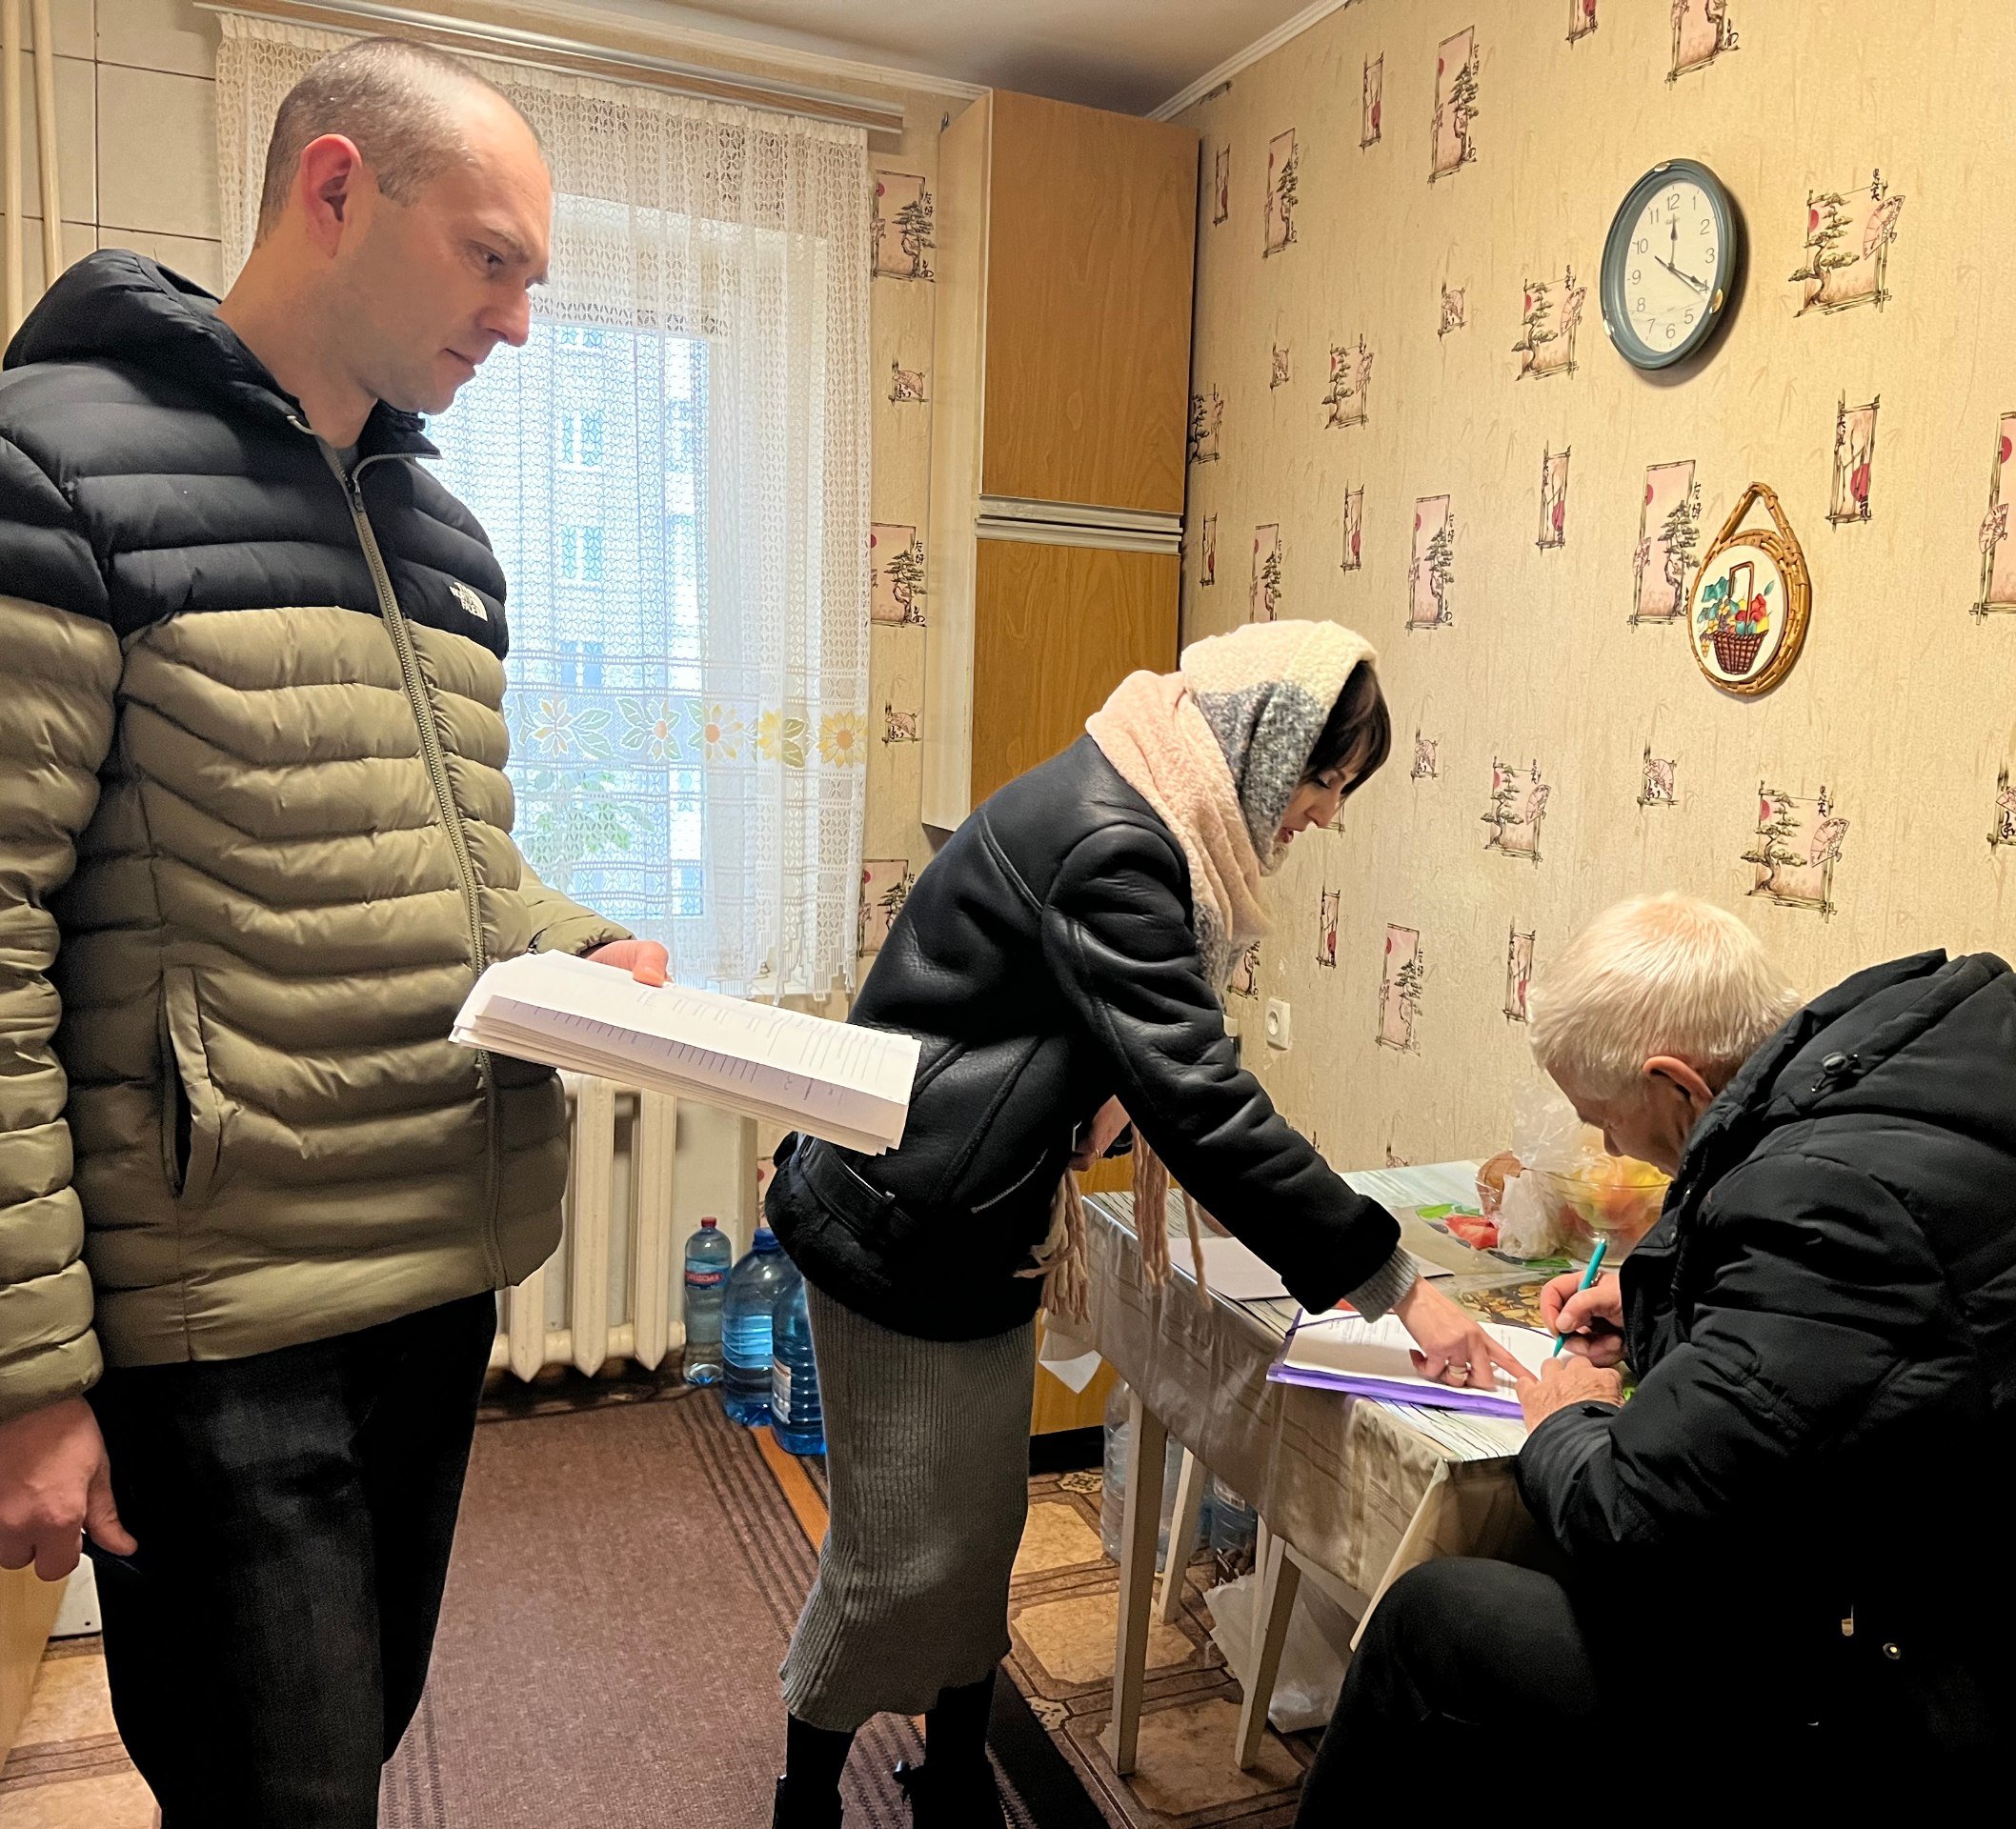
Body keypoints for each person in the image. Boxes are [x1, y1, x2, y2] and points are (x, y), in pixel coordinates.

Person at [0, 39, 664, 1823]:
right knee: (282, 1794)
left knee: (348, 1750)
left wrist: (576, 941)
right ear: (336, 190)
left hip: (432, 1277)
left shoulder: (441, 535)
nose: (517, 322)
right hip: (224, 1317)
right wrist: (29, 1374)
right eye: (491, 259)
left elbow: (453, 864)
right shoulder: (52, 466)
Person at [762, 620, 1525, 1827]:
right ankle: (802, 1803)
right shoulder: (1118, 842)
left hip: (970, 1215)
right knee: (894, 1558)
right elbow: (1202, 1104)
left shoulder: (1136, 801)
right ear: (1267, 744)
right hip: (903, 1227)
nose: (1325, 814)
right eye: (1327, 779)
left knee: (977, 1535)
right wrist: (1398, 1285)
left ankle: (952, 1779)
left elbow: (1093, 1045)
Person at [1297, 894, 2016, 1827]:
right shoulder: (1901, 1118)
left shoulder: (1829, 1197)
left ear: (1676, 1085)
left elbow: (1630, 1511)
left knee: (1439, 1622)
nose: (1612, 1149)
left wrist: (1565, 1414)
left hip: (2014, 1751)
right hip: (2011, 1668)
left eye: (1606, 1121)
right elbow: (1838, 1374)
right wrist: (1658, 1311)